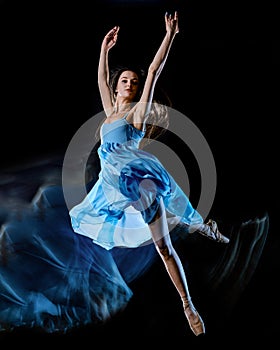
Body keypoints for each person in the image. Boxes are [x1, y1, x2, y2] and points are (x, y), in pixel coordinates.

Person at [69, 11, 230, 337]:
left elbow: (154, 70)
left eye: (134, 81)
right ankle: (199, 225)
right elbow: (101, 79)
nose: (129, 83)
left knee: (164, 248)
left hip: (141, 184)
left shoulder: (137, 113)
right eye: (124, 80)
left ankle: (187, 303)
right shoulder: (109, 110)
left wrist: (169, 35)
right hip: (111, 187)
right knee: (85, 232)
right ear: (116, 88)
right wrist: (104, 48)